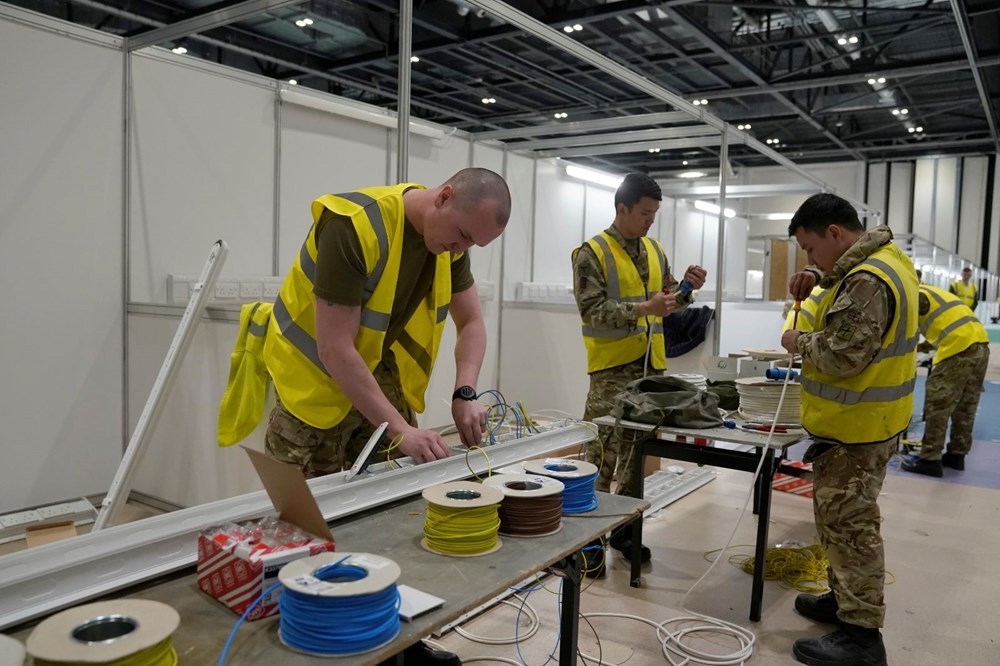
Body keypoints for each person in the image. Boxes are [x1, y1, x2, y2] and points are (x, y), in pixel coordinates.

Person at [780, 193, 918, 666]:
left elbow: (843, 355)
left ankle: (861, 636)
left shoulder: (866, 280)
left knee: (852, 530)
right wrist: (819, 275)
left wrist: (798, 341)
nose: (809, 259)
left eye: (811, 249)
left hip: (857, 429)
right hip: (872, 422)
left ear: (835, 234)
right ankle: (843, 602)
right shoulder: (889, 259)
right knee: (839, 526)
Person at [572, 172, 706, 565]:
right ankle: (587, 541)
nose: (650, 221)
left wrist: (685, 288)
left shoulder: (653, 250)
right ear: (622, 209)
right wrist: (643, 309)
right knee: (600, 456)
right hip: (611, 370)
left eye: (654, 215)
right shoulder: (591, 254)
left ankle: (624, 532)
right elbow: (592, 310)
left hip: (650, 369)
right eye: (645, 213)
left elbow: (667, 303)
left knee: (635, 455)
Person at [901, 283, 989, 477]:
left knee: (938, 405)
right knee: (965, 407)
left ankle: (930, 459)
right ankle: (957, 455)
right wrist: (919, 349)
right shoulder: (935, 293)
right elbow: (942, 327)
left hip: (958, 348)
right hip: (980, 345)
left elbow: (903, 325)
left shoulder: (917, 295)